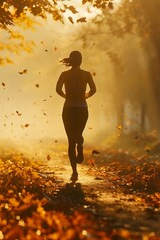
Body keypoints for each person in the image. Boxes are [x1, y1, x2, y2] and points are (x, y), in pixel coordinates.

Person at [56, 51, 96, 181]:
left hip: (68, 108)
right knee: (78, 134)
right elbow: (93, 89)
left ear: (71, 61)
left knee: (70, 140)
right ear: (81, 61)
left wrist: (66, 97)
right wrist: (84, 97)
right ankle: (80, 144)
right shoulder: (86, 74)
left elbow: (57, 89)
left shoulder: (65, 75)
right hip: (82, 109)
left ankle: (74, 172)